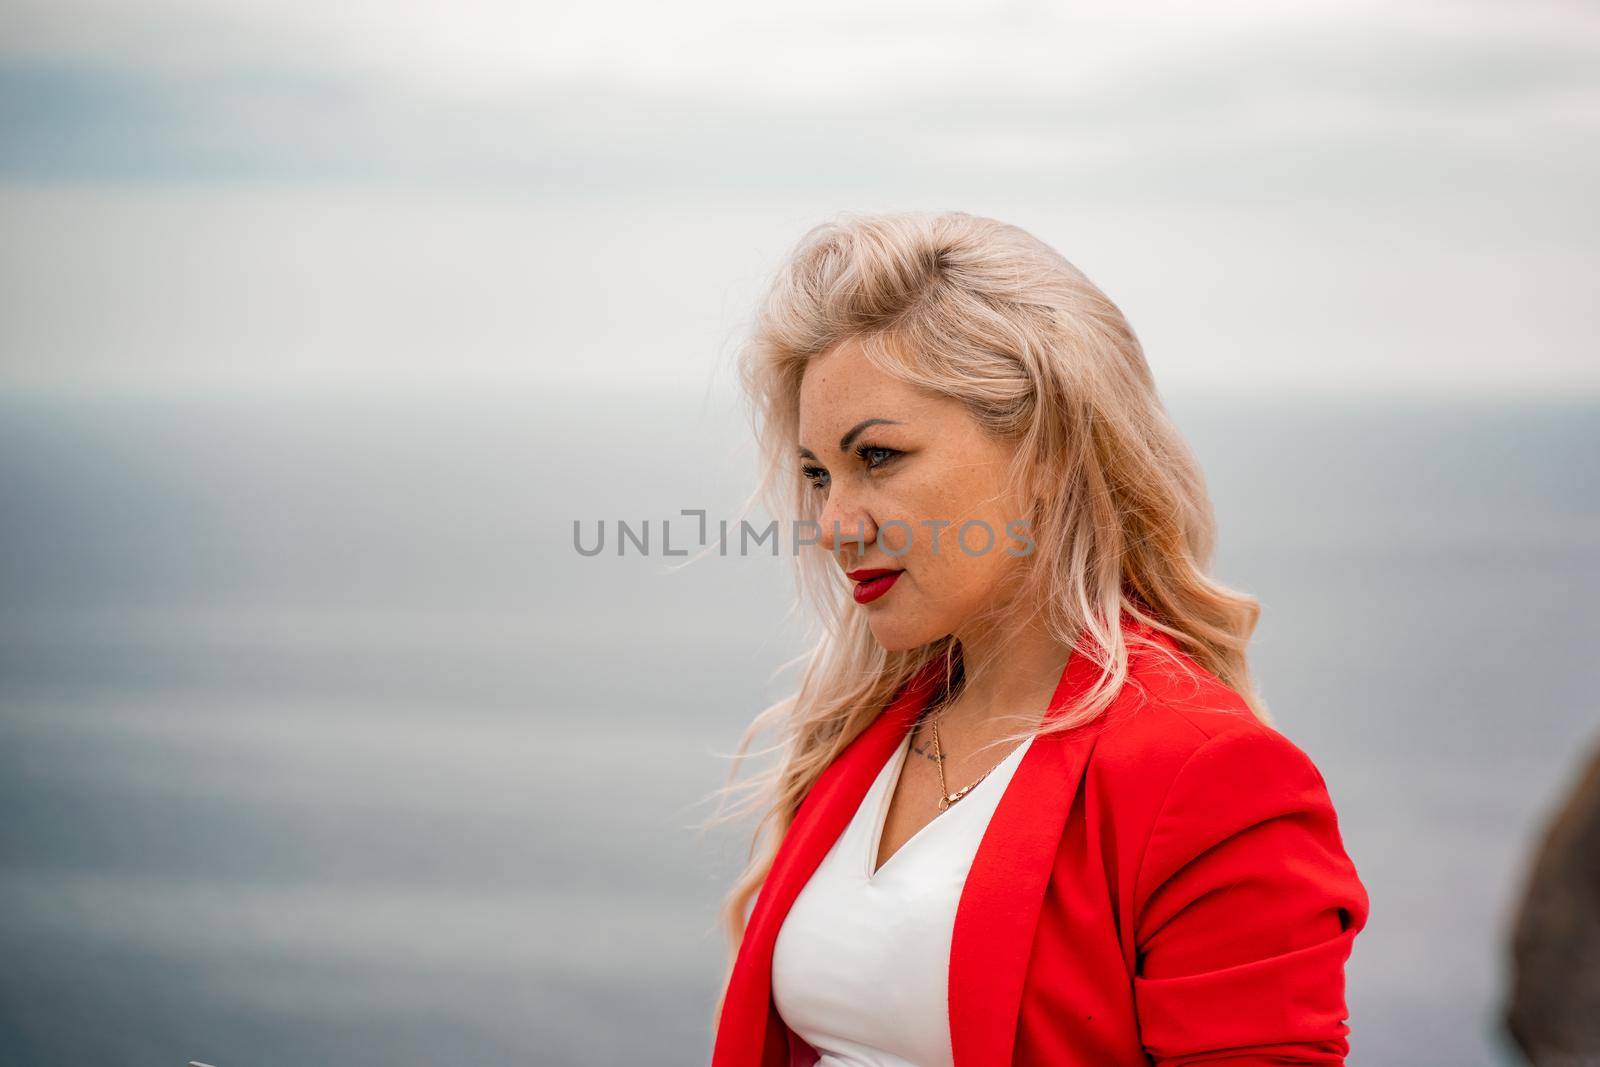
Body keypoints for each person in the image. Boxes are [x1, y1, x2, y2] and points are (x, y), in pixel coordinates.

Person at [704, 210, 1369, 1066]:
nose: (831, 525)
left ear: (1048, 448)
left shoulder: (1204, 774)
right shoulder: (864, 733)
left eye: (877, 457)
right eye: (817, 474)